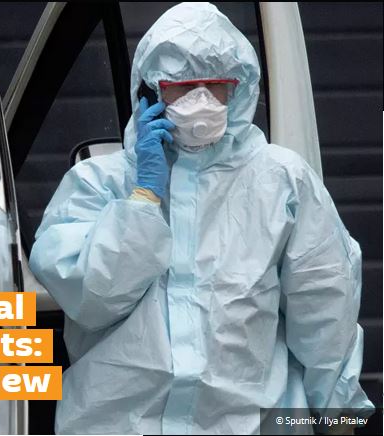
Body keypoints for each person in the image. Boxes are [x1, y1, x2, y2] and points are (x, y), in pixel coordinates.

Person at [28, 2, 374, 434]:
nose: (202, 100)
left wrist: (339, 415)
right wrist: (142, 199)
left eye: (216, 84)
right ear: (152, 92)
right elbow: (91, 299)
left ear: (239, 88)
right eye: (184, 85)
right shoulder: (97, 183)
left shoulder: (281, 179)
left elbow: (324, 304)